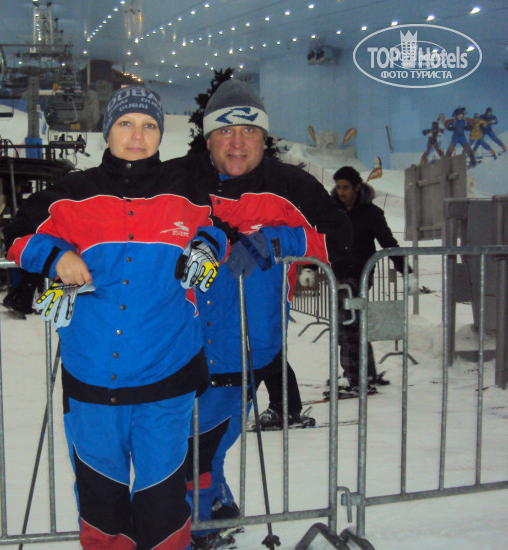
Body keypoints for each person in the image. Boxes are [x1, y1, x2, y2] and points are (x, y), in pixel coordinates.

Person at [5, 86, 228, 550]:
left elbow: (219, 227)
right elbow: (17, 234)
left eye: (149, 126)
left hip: (166, 378)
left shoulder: (186, 189)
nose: (137, 136)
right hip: (91, 380)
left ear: (160, 134)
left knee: (164, 504)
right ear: (107, 130)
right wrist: (54, 255)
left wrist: (209, 246)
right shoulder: (71, 192)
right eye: (126, 124)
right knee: (101, 505)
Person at [167, 79, 353, 548]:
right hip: (179, 343)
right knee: (188, 442)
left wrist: (276, 241)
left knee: (198, 444)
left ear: (264, 137)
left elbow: (340, 239)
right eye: (225, 131)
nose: (237, 142)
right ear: (208, 136)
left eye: (248, 131)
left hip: (247, 345)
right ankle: (215, 509)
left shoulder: (290, 185)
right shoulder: (178, 179)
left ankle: (200, 524)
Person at [326, 166, 416, 393]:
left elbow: (388, 243)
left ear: (357, 187)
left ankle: (356, 377)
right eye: (338, 187)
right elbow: (319, 239)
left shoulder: (371, 213)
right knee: (349, 326)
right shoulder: (332, 211)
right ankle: (364, 373)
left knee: (348, 326)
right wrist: (309, 267)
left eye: (346, 187)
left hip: (359, 275)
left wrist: (407, 272)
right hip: (338, 275)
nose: (341, 192)